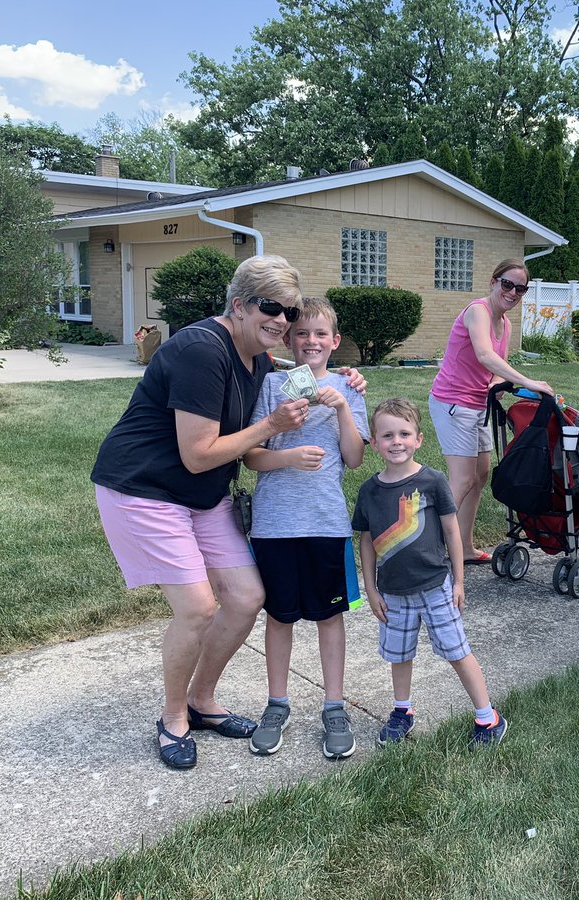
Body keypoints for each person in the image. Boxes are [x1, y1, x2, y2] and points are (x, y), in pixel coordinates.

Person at [90, 255, 364, 769]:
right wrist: (272, 426)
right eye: (270, 308)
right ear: (239, 306)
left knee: (246, 597)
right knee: (197, 607)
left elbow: (295, 373)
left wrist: (344, 374)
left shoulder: (255, 355)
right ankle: (173, 718)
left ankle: (201, 700)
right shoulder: (200, 351)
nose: (282, 321)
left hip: (201, 495)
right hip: (147, 490)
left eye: (287, 312)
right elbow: (198, 453)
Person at [243, 297, 369, 760]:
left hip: (325, 522)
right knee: (279, 616)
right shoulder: (275, 385)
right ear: (289, 340)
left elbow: (354, 459)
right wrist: (287, 457)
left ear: (335, 342)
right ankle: (278, 703)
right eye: (302, 334)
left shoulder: (350, 388)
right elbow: (252, 454)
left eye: (320, 335)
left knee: (328, 615)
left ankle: (334, 705)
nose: (311, 342)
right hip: (274, 524)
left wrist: (340, 409)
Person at [352, 398, 508, 749]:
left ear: (419, 439)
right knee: (399, 654)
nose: (397, 441)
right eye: (387, 435)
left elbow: (453, 533)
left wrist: (459, 581)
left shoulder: (432, 481)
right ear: (374, 443)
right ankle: (402, 711)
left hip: (437, 587)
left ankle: (488, 717)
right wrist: (370, 589)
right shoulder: (370, 491)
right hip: (391, 593)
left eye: (404, 433)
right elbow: (365, 540)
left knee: (456, 650)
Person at [428, 259, 554, 565]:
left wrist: (504, 385)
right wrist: (526, 380)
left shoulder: (506, 324)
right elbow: (485, 355)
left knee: (480, 475)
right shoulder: (478, 311)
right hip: (452, 402)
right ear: (493, 281)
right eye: (507, 284)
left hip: (477, 405)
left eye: (520, 288)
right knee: (462, 480)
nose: (512, 292)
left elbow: (496, 370)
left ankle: (465, 547)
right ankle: (424, 551)